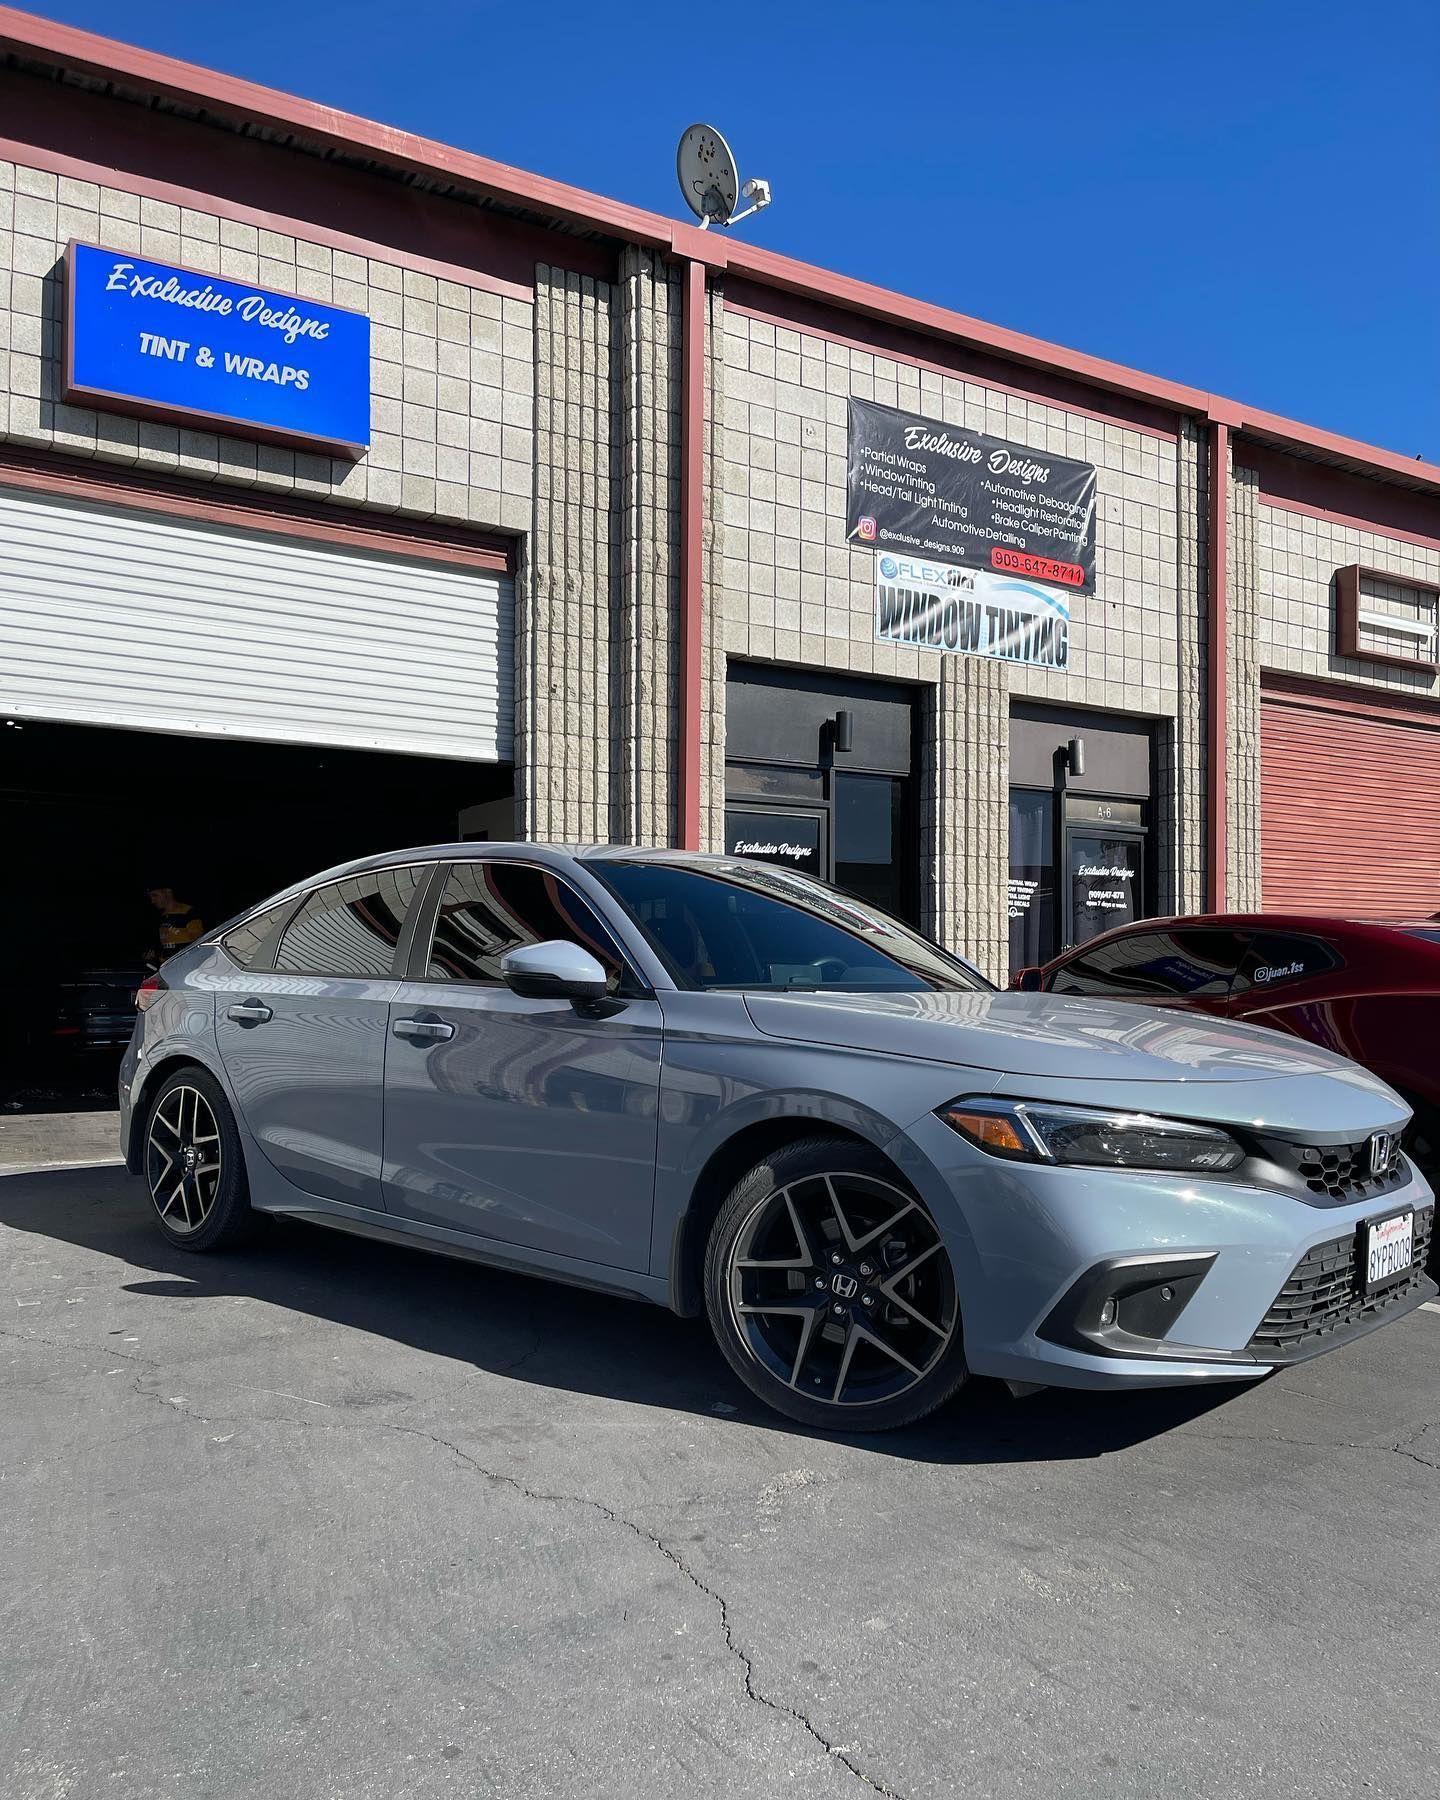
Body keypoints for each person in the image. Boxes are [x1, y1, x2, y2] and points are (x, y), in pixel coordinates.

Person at [146, 884, 205, 966]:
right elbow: (165, 943)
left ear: (168, 892)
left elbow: (198, 941)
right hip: (166, 965)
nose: (152, 901)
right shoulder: (160, 916)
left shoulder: (188, 912)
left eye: (155, 895)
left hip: (185, 964)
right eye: (151, 897)